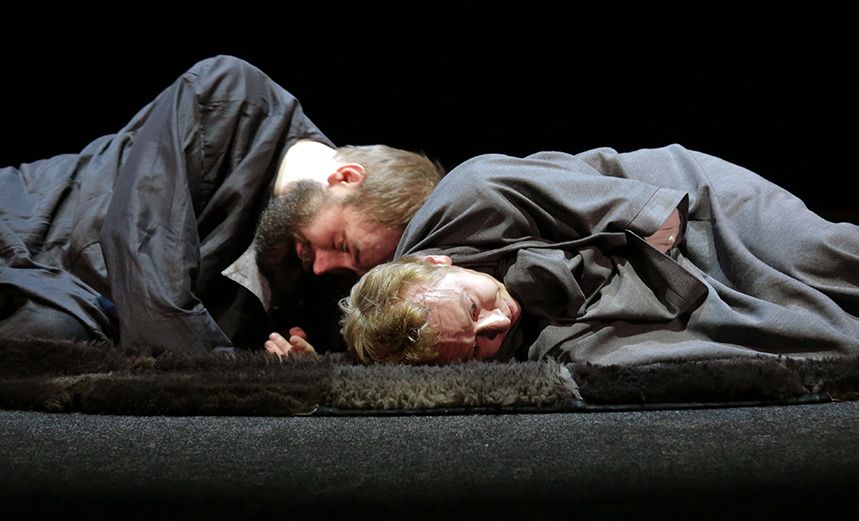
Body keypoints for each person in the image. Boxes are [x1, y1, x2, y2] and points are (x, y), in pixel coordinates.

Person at [0, 55, 442, 355]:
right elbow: (144, 257)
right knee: (50, 333)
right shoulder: (228, 95)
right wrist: (235, 374)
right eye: (343, 244)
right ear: (345, 178)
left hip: (77, 302)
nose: (326, 266)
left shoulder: (306, 256)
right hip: (26, 232)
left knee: (55, 334)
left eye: (347, 269)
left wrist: (293, 359)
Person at [340, 145, 859, 365]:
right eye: (479, 347)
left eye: (474, 307)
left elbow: (659, 220)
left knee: (822, 260)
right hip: (631, 280)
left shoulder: (475, 195)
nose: (499, 322)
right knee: (790, 336)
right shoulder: (444, 335)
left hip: (689, 209)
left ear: (436, 263)